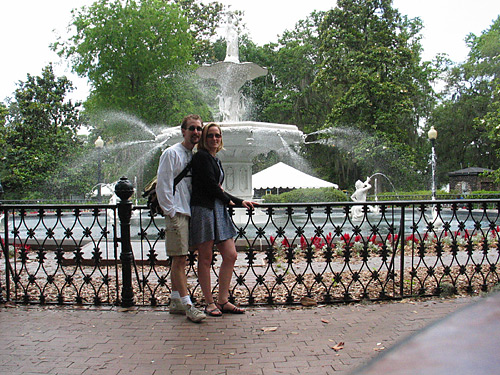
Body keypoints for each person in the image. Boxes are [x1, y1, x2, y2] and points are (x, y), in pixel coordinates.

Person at [190, 122, 257, 316]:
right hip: (204, 210)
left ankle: (223, 300)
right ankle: (209, 303)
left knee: (231, 255)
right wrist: (236, 201)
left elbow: (217, 189)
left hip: (218, 208)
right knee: (205, 258)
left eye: (217, 135)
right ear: (204, 138)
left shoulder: (215, 159)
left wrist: (240, 201)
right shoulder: (201, 157)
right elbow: (212, 187)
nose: (214, 139)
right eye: (210, 135)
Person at [156, 114, 206, 323]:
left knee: (181, 258)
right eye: (192, 128)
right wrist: (171, 211)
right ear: (183, 131)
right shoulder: (171, 153)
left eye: (198, 129)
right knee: (179, 259)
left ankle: (175, 300)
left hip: (187, 211)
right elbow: (163, 184)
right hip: (177, 212)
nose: (196, 132)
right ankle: (188, 305)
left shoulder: (192, 155)